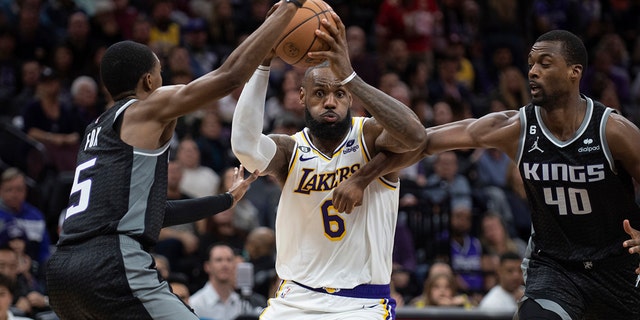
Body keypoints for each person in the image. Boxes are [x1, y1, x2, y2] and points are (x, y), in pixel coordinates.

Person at [332, 29, 640, 319]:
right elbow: (422, 141)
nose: (533, 72)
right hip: (555, 268)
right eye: (531, 64)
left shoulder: (612, 131)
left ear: (575, 72)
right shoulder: (515, 128)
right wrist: (362, 178)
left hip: (620, 268)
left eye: (545, 64)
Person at [44, 2, 309, 319]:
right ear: (147, 82)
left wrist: (225, 200)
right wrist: (286, 12)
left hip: (63, 272)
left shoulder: (97, 130)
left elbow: (150, 213)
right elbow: (229, 76)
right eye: (159, 72)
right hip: (110, 262)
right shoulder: (145, 108)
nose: (163, 79)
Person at [230, 10, 427, 320]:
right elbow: (245, 146)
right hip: (294, 299)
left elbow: (415, 135)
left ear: (350, 97)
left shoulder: (370, 134)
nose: (330, 102)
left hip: (360, 304)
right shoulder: (290, 150)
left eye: (339, 94)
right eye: (320, 94)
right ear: (302, 97)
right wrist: (263, 61)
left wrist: (351, 76)